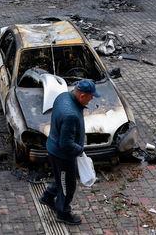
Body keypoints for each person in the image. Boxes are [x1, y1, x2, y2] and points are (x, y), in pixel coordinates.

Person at [40, 79, 98, 226]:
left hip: (53, 148)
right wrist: (80, 150)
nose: (92, 100)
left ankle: (47, 197)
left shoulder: (63, 96)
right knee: (68, 185)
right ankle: (63, 213)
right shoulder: (71, 114)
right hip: (62, 156)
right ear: (82, 95)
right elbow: (65, 144)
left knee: (61, 178)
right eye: (91, 96)